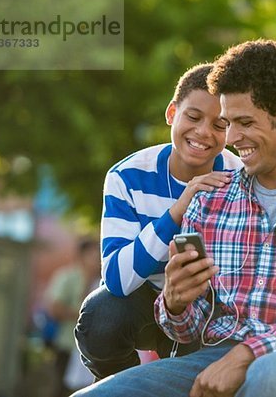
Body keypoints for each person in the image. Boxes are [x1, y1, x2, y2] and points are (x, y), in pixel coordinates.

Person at [73, 39, 276, 397]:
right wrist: (175, 303)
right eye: (230, 123)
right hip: (214, 357)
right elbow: (190, 331)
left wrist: (250, 352)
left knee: (272, 374)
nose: (231, 138)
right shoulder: (211, 199)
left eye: (243, 122)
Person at [74, 63, 243, 380]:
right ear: (171, 114)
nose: (204, 132)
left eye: (219, 124)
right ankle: (120, 385)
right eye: (193, 117)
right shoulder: (126, 176)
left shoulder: (240, 178)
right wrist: (176, 211)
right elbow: (117, 280)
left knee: (194, 376)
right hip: (145, 302)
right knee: (101, 315)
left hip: (208, 308)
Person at [44, 238, 101, 397]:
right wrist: (86, 316)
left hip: (93, 348)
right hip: (67, 344)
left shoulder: (104, 280)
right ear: (82, 255)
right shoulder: (67, 276)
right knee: (60, 388)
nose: (97, 258)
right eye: (93, 254)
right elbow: (55, 308)